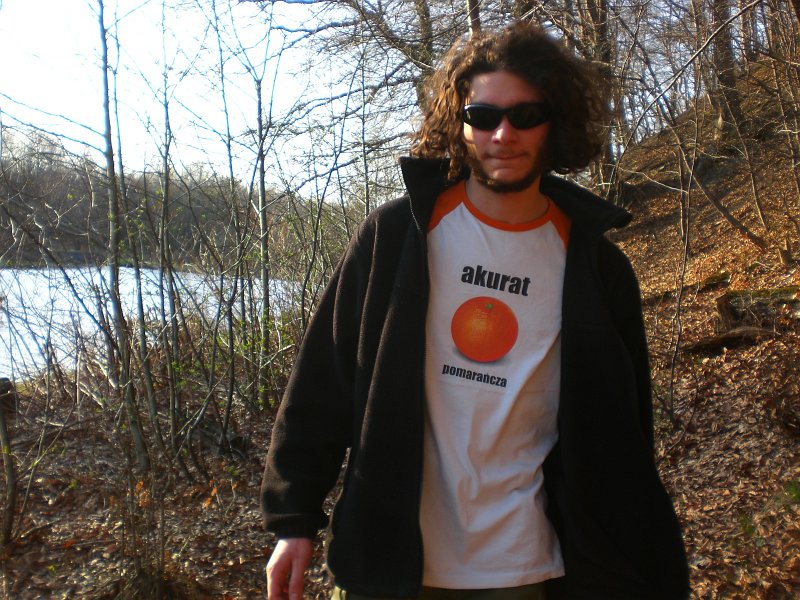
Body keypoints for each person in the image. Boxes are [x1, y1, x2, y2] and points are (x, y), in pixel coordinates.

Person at [261, 21, 689, 600]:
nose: (502, 134)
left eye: (525, 115)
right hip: (390, 564)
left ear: (555, 122)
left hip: (525, 567)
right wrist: (293, 520)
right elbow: (322, 382)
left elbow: (624, 435)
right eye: (483, 116)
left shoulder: (595, 267)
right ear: (458, 124)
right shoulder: (398, 236)